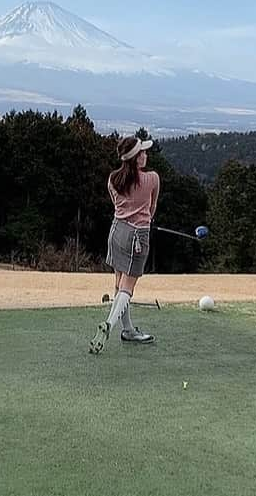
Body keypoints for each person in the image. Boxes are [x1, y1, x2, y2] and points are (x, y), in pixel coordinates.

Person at [89, 135, 160, 355]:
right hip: (138, 236)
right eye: (143, 153)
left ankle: (128, 330)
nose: (146, 155)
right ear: (136, 159)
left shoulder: (112, 179)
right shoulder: (152, 178)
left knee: (119, 283)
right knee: (128, 287)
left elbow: (119, 205)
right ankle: (109, 324)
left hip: (116, 231)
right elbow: (152, 207)